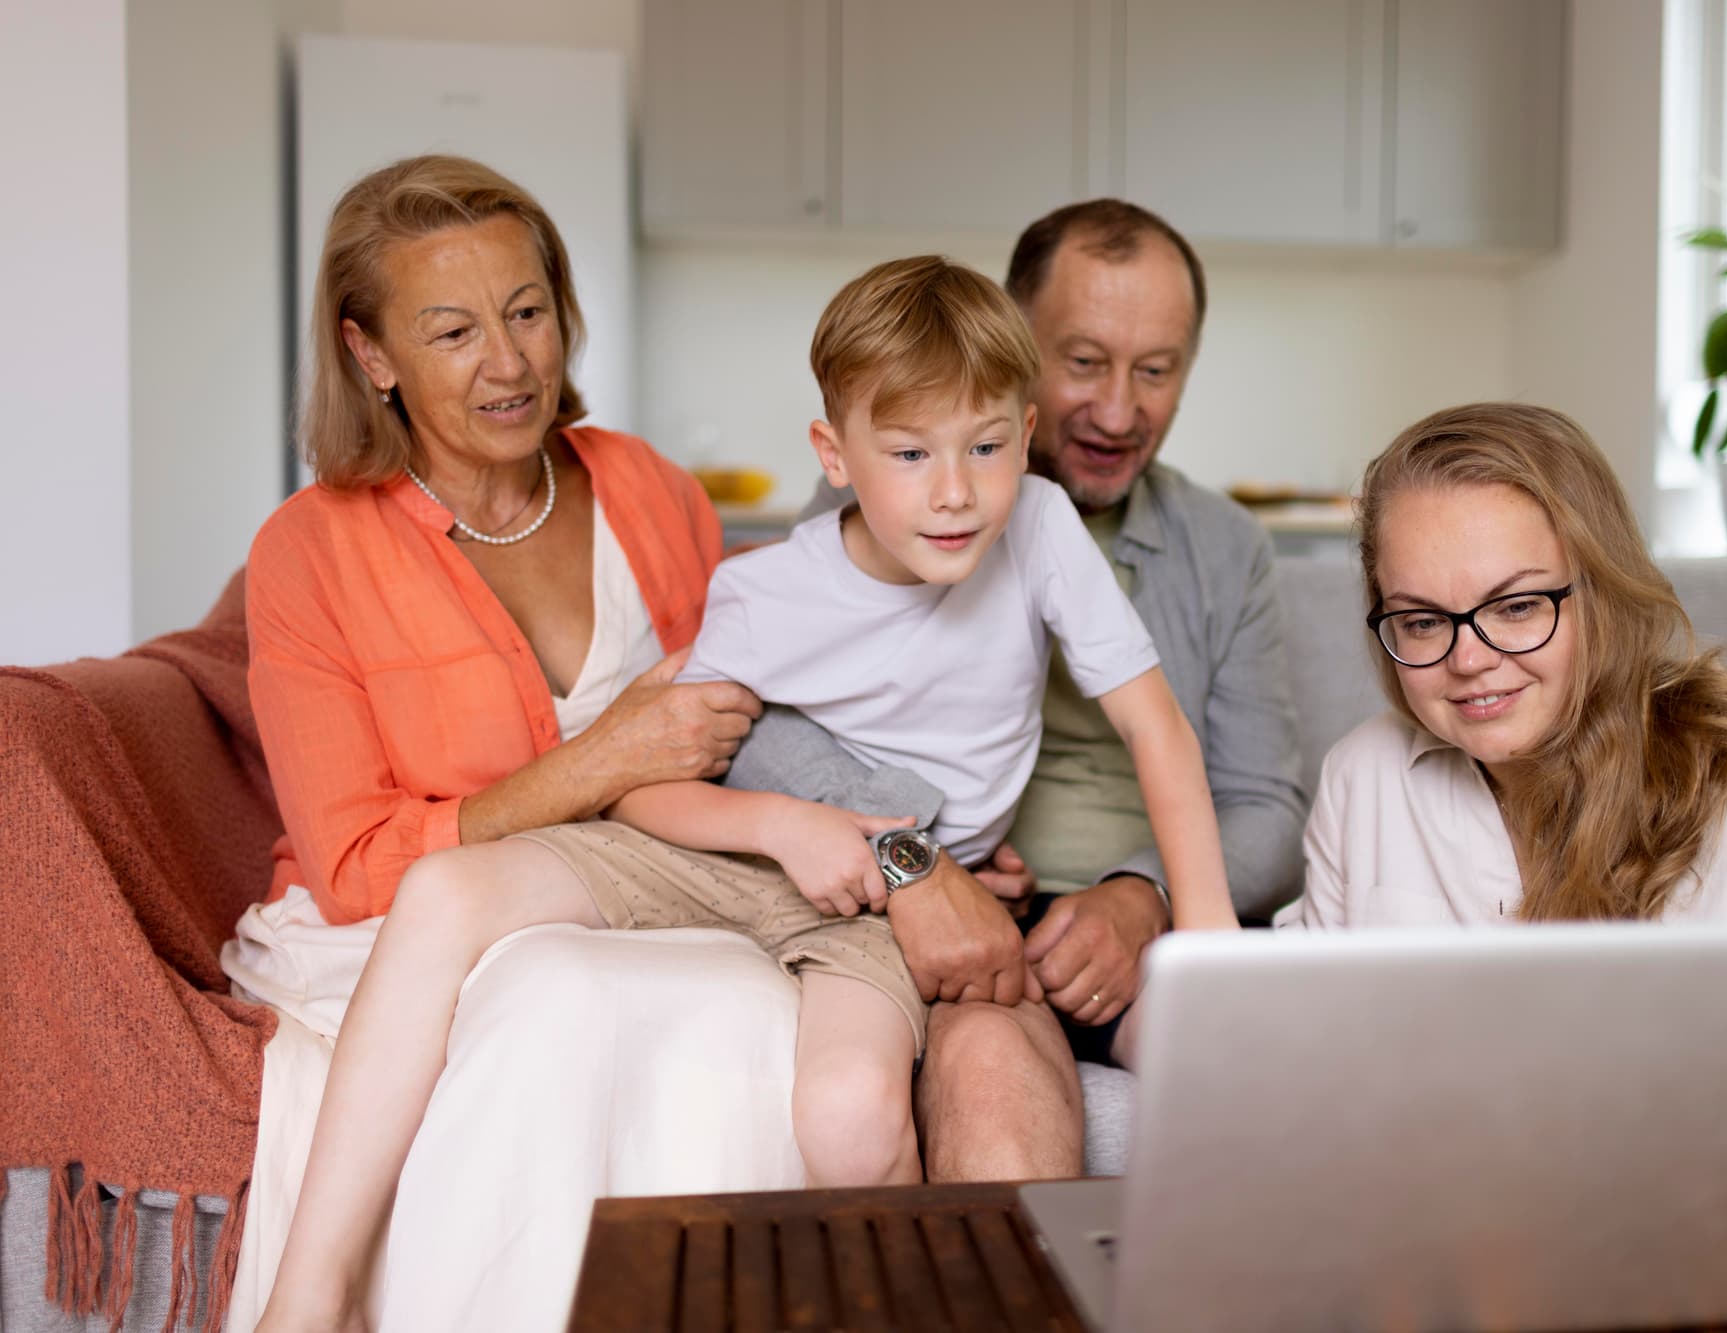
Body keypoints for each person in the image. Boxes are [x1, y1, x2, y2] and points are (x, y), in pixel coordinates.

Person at [257, 254, 1238, 1332]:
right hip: (735, 853)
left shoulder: (1042, 528)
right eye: (911, 453)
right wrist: (784, 825)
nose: (956, 491)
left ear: (1025, 430)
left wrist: (1210, 958)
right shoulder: (766, 591)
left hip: (876, 905)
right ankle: (308, 1300)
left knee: (848, 1112)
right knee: (444, 890)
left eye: (987, 446)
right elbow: (647, 789)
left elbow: (1159, 731)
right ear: (834, 454)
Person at [231, 155, 768, 1331]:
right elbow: (356, 866)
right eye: (453, 331)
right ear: (372, 354)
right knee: (557, 996)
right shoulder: (309, 551)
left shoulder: (651, 489)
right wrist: (603, 758)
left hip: (647, 894)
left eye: (527, 312)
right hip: (394, 933)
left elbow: (756, 720)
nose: (511, 363)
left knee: (747, 998)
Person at [1277, 401, 1727, 1197]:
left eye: (1517, 606)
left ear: (1605, 590)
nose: (1469, 658)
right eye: (1420, 621)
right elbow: (1302, 1051)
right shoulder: (1364, 775)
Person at [728, 200, 1308, 1180]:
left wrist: (1143, 895)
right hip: (968, 926)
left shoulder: (1223, 547)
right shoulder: (883, 496)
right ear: (1013, 343)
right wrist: (922, 856)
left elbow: (1268, 808)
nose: (1117, 412)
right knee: (993, 1089)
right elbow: (757, 730)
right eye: (1082, 361)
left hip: (1142, 925)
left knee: (1293, 1081)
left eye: (1155, 370)